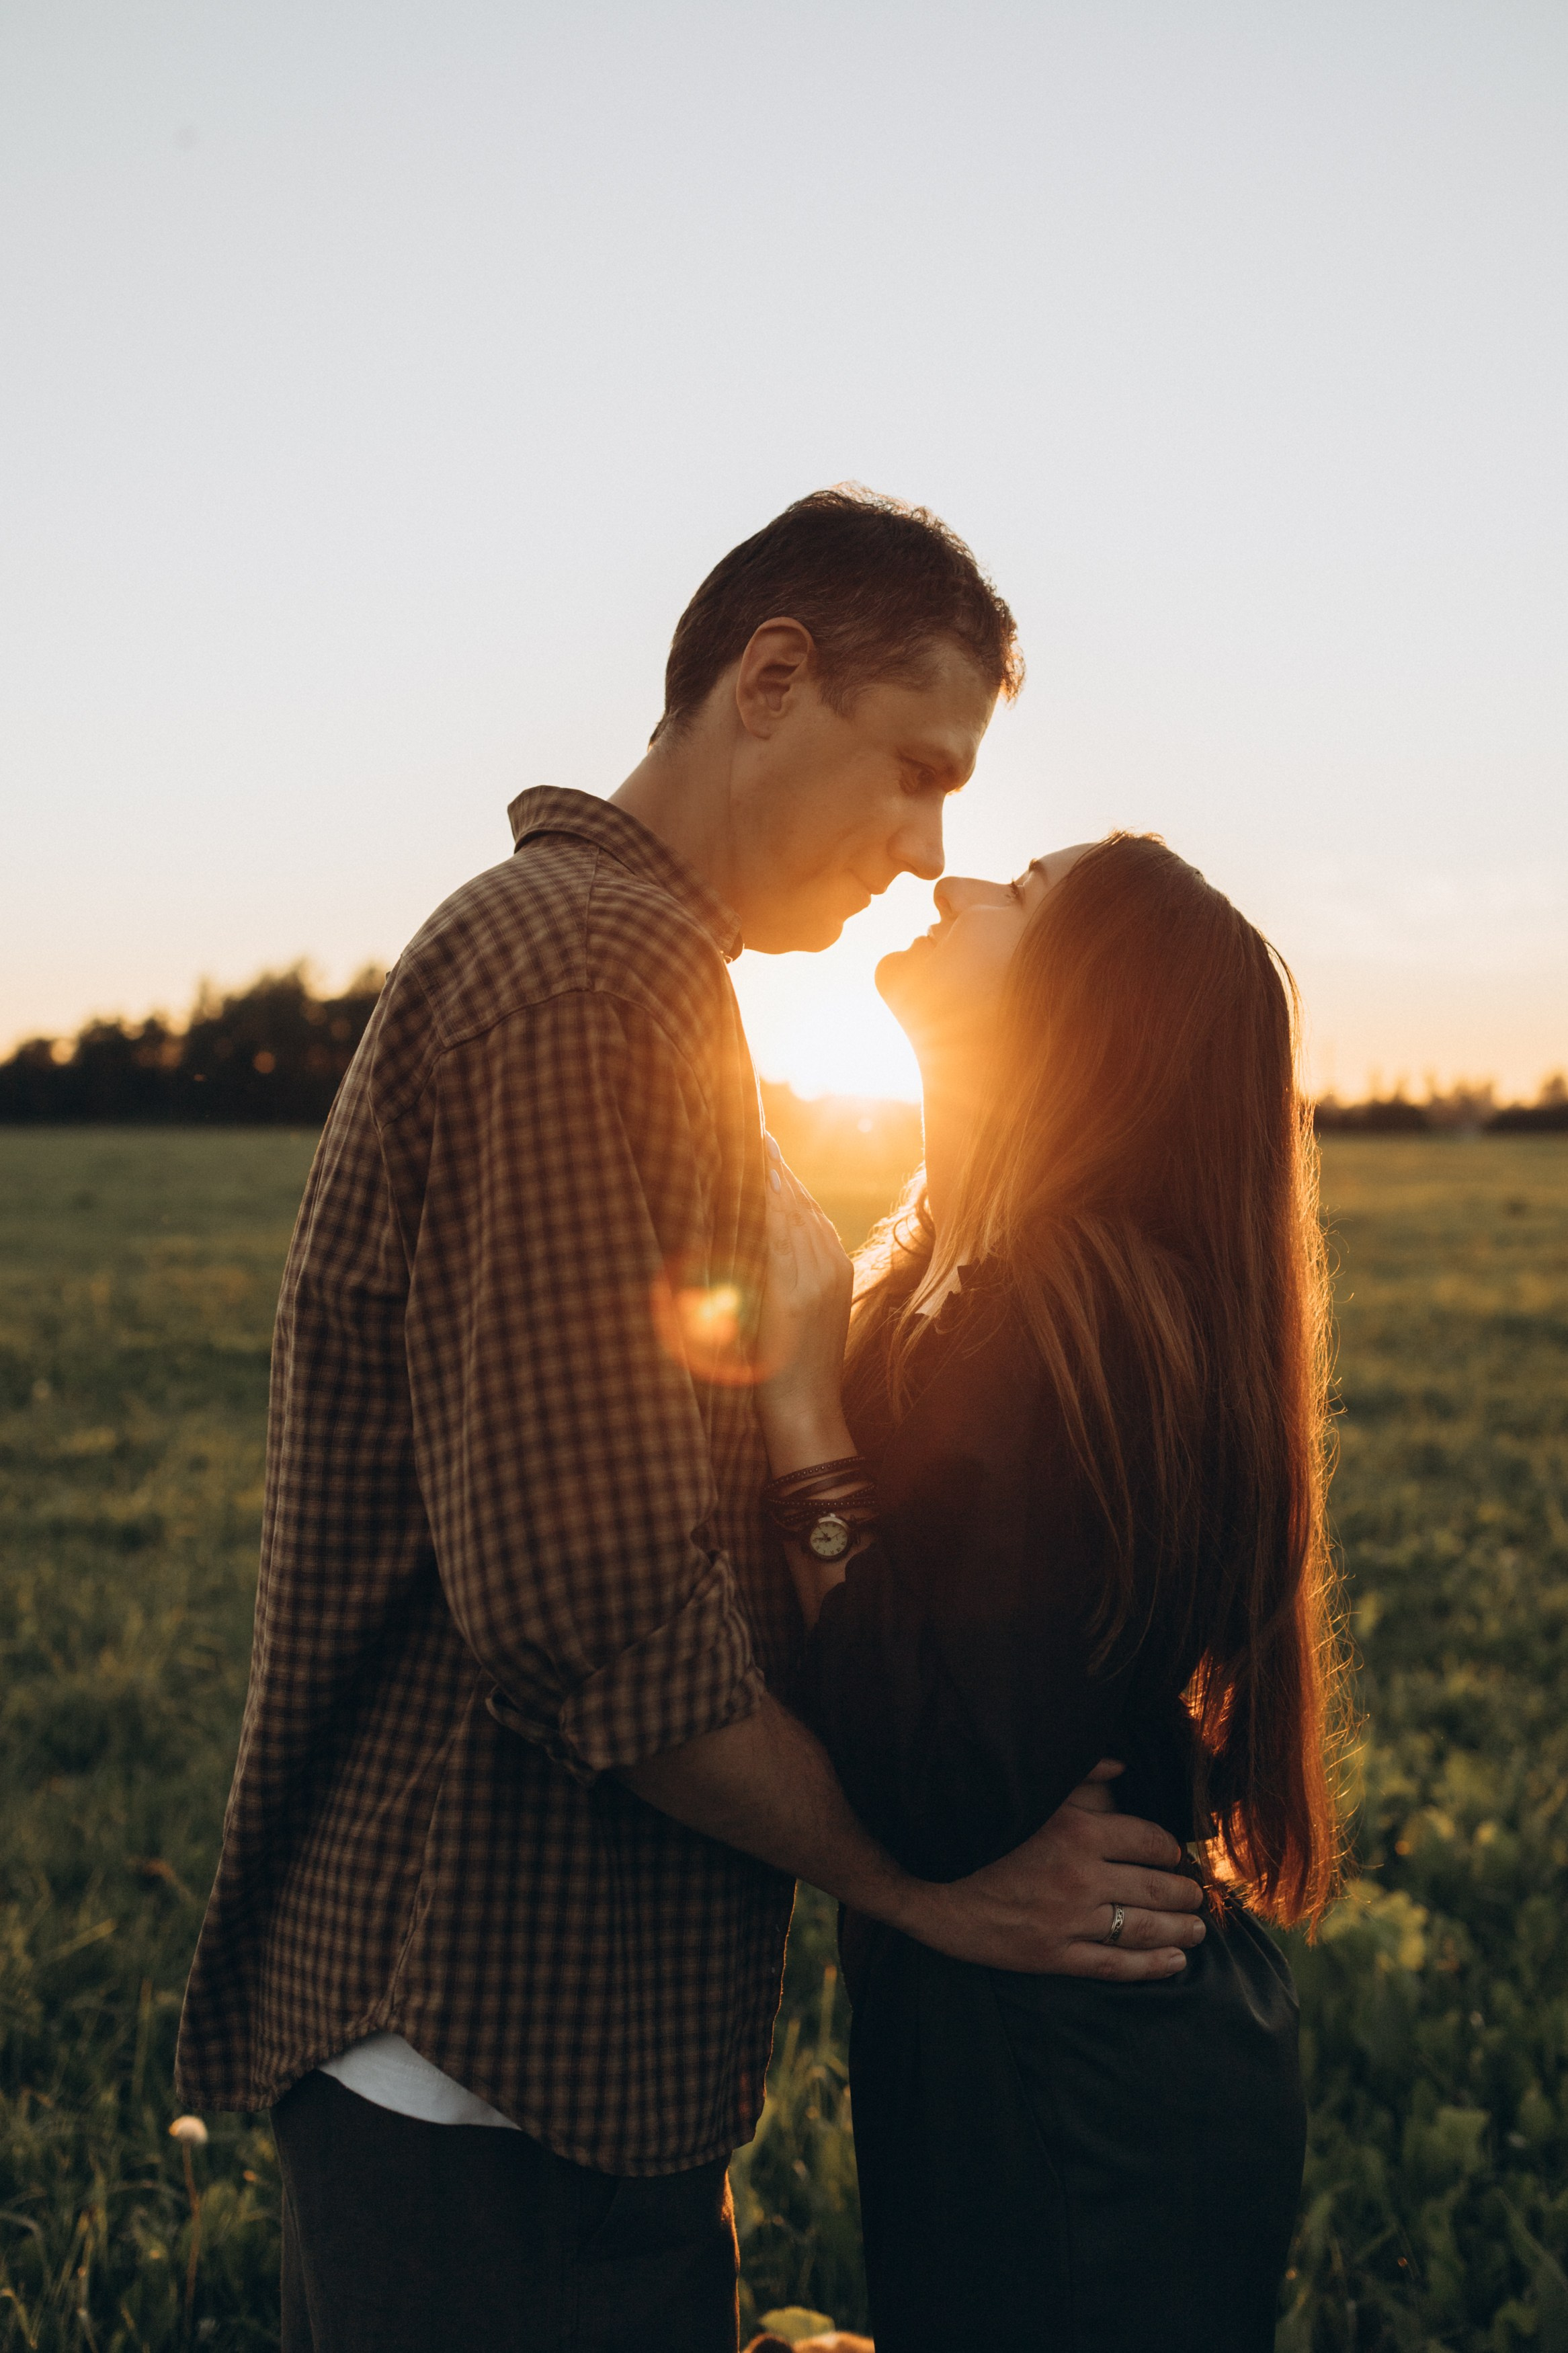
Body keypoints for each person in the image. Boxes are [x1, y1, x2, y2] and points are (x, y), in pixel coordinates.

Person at [174, 489, 1207, 2353]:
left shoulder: (636, 979)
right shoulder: (585, 971)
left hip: (552, 2058)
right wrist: (939, 1891)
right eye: (912, 769)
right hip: (487, 2058)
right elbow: (588, 1611)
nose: (921, 848)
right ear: (770, 676)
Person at [755, 834, 1348, 2351]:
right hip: (1055, 2032)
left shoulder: (1059, 1320)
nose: (953, 887)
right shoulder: (972, 1279)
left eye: (1019, 895)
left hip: (1078, 2068)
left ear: (1080, 1011)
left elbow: (939, 1780)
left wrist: (809, 1420)